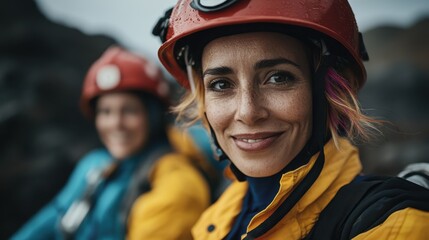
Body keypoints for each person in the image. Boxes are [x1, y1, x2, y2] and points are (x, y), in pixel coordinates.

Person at [152, 0, 429, 239]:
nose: (248, 112)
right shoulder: (218, 218)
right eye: (221, 84)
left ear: (330, 91)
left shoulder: (392, 225)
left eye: (278, 78)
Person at [11, 45, 214, 240]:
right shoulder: (94, 164)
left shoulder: (177, 183)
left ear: (153, 116)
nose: (115, 124)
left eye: (129, 111)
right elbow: (50, 220)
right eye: (105, 111)